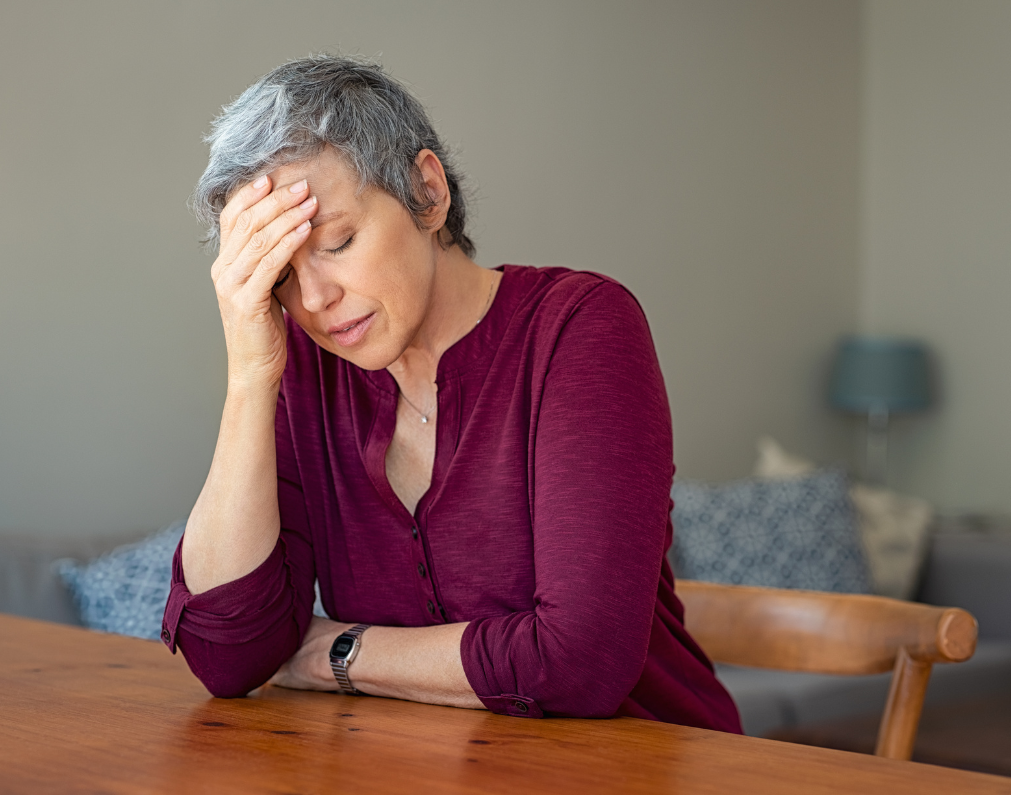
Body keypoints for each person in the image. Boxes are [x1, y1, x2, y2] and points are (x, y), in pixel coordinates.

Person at [163, 54, 741, 732]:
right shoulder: (304, 370)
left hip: (644, 765)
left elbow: (580, 660)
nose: (315, 300)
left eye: (338, 242)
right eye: (279, 277)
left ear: (427, 193)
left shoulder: (580, 328)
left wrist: (332, 651)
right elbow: (227, 658)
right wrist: (249, 378)